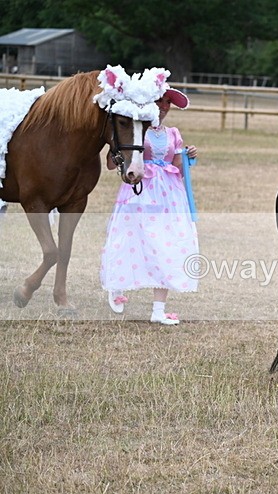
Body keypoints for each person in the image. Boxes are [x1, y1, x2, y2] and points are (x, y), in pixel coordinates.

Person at [100, 86, 199, 325]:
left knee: (165, 246)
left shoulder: (173, 133)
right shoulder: (136, 129)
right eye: (160, 101)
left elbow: (176, 164)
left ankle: (158, 309)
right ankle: (117, 285)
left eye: (168, 103)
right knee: (130, 238)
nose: (163, 107)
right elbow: (112, 164)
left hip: (167, 194)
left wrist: (188, 156)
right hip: (140, 191)